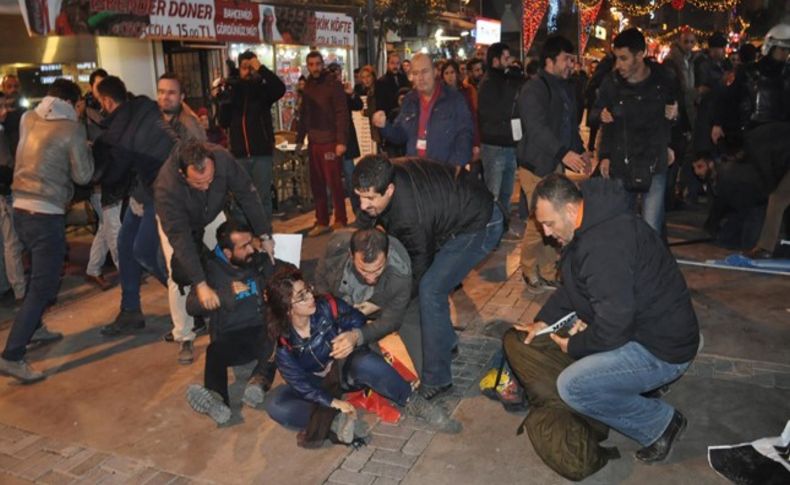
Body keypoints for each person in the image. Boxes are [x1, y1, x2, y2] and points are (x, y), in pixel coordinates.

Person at [503, 174, 699, 470]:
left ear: (570, 210)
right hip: (656, 329)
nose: (544, 233)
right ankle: (640, 386)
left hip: (663, 349)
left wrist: (574, 345)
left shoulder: (603, 245)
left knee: (574, 386)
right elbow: (575, 288)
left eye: (549, 223)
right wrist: (543, 321)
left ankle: (660, 424)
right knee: (584, 340)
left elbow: (613, 327)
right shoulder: (592, 220)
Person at [352, 155, 503, 399]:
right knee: (432, 287)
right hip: (451, 212)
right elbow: (364, 222)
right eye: (359, 195)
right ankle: (446, 344)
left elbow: (418, 272)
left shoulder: (410, 215)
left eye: (369, 198)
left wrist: (381, 302)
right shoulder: (375, 180)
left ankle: (438, 379)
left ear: (389, 190)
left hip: (480, 222)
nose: (362, 203)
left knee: (430, 289)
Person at [264, 266, 460, 447]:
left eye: (307, 289)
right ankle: (336, 421)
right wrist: (333, 403)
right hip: (317, 384)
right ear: (287, 307)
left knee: (366, 362)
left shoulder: (327, 305)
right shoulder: (284, 343)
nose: (310, 296)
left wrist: (351, 336)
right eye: (301, 296)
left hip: (342, 371)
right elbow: (301, 385)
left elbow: (358, 319)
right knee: (276, 402)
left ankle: (412, 401)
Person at [0, 79, 93, 383]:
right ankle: (13, 354)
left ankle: (35, 327)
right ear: (72, 101)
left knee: (34, 277)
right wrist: (86, 147)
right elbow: (84, 174)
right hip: (46, 213)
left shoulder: (28, 117)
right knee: (45, 283)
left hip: (20, 208)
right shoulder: (72, 129)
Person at [154, 140, 274, 365]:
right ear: (183, 174)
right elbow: (182, 241)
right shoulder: (166, 188)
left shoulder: (222, 158)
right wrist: (200, 284)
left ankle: (230, 314)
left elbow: (247, 194)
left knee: (225, 257)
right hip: (181, 222)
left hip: (212, 212)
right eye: (199, 183)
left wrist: (265, 235)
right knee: (179, 273)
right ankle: (184, 334)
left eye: (210, 179)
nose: (207, 186)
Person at [95, 76, 175, 337]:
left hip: (165, 190)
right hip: (145, 189)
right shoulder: (142, 106)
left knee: (144, 252)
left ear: (107, 101)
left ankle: (192, 301)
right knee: (125, 244)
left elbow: (112, 174)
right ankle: (130, 311)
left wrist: (88, 172)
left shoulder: (122, 132)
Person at [184, 220, 277, 424]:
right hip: (231, 336)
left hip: (262, 331)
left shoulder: (258, 261)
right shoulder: (210, 269)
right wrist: (225, 294)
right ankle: (217, 401)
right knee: (214, 351)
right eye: (244, 247)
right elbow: (191, 306)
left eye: (250, 242)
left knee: (278, 334)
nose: (251, 249)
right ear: (227, 253)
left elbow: (286, 275)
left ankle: (258, 382)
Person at [516, 35, 588, 293]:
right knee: (539, 222)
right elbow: (537, 129)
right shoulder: (534, 89)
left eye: (572, 59)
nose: (571, 64)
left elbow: (568, 125)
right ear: (550, 61)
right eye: (566, 59)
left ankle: (547, 271)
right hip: (535, 165)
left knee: (554, 220)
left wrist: (580, 150)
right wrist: (563, 153)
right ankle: (527, 268)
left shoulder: (566, 87)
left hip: (554, 165)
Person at [714, 24, 790, 259]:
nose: (785, 54)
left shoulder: (787, 74)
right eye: (781, 49)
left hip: (782, 137)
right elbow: (729, 101)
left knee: (778, 195)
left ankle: (768, 244)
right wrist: (722, 126)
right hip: (758, 138)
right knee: (772, 195)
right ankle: (767, 243)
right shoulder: (748, 73)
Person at [593, 28, 678, 233]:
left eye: (624, 58)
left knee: (651, 227)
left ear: (640, 55)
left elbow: (677, 115)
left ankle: (650, 263)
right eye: (616, 58)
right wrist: (604, 154)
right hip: (622, 160)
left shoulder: (664, 78)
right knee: (622, 225)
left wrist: (673, 136)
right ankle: (626, 263)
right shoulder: (611, 83)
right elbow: (599, 114)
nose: (619, 65)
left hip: (654, 161)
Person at [315, 228, 423, 374]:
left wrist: (356, 336)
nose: (371, 278)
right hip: (347, 301)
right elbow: (321, 282)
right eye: (364, 270)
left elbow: (391, 321)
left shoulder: (400, 273)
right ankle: (374, 372)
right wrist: (334, 313)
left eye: (378, 269)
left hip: (390, 301)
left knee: (422, 354)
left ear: (387, 255)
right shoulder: (336, 247)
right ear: (350, 255)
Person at [218, 50, 285, 225]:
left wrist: (261, 68)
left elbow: (280, 88)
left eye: (251, 67)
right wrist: (222, 101)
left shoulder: (263, 91)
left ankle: (265, 236)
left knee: (262, 198)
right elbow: (223, 122)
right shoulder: (233, 91)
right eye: (244, 67)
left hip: (261, 154)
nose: (248, 71)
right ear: (239, 69)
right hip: (239, 155)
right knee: (240, 199)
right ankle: (244, 239)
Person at [372, 53, 473, 168]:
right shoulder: (410, 100)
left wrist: (458, 163)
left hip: (443, 171)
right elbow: (400, 134)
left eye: (425, 71)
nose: (420, 78)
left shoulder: (453, 98)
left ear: (435, 72)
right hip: (415, 170)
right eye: (415, 73)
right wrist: (384, 126)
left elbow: (465, 132)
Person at [296, 51, 350, 237]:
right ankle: (322, 220)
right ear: (307, 65)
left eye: (318, 64)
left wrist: (341, 141)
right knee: (317, 183)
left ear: (322, 64)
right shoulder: (309, 85)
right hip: (313, 142)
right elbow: (304, 114)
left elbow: (342, 113)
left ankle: (341, 219)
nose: (315, 68)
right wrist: (299, 139)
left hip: (329, 141)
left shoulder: (333, 85)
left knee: (334, 183)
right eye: (311, 64)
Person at [82, 68, 119, 291]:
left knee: (107, 226)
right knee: (112, 227)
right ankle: (126, 270)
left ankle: (93, 269)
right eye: (98, 86)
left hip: (113, 175)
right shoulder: (84, 114)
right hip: (98, 179)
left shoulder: (110, 111)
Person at [478, 42, 523, 221]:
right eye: (505, 58)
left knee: (507, 192)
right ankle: (491, 230)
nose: (509, 62)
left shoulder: (507, 79)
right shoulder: (488, 82)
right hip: (494, 146)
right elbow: (501, 110)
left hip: (510, 144)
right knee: (493, 194)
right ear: (495, 61)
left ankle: (501, 228)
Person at [327, 63, 363, 217]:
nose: (336, 76)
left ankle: (357, 209)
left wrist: (352, 93)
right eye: (332, 73)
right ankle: (331, 210)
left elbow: (358, 106)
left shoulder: (344, 91)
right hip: (329, 141)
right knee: (330, 176)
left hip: (346, 141)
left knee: (350, 175)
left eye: (338, 73)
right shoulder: (326, 92)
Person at [0, 92, 25, 303]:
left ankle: (6, 286)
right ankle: (19, 290)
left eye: (6, 106)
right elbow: (7, 166)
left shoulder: (5, 129)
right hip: (5, 193)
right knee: (12, 243)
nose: (4, 111)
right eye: (0, 107)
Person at [439, 59, 480, 162]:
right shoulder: (439, 95)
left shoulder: (466, 92)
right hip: (446, 140)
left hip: (464, 138)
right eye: (446, 73)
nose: (450, 76)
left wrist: (476, 143)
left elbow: (473, 117)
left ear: (457, 73)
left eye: (452, 72)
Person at [374, 52, 410, 156]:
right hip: (390, 122)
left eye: (398, 63)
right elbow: (380, 106)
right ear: (387, 64)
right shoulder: (381, 82)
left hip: (404, 122)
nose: (395, 66)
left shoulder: (404, 79)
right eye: (392, 63)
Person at [1, 74, 25, 159]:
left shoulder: (22, 105)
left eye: (16, 86)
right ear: (3, 88)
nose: (13, 89)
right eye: (9, 86)